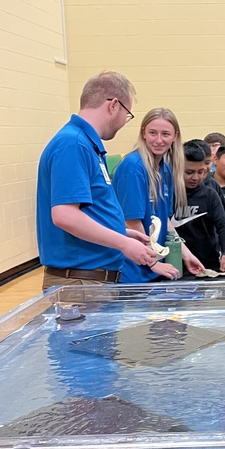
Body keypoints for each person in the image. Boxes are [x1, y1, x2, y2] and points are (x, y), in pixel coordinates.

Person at [37, 71, 158, 289]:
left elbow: (87, 211)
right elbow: (65, 215)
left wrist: (121, 232)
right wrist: (123, 243)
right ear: (113, 105)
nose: (124, 122)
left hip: (93, 279)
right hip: (80, 283)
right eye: (127, 114)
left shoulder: (85, 145)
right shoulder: (73, 145)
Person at [113, 108, 204, 282]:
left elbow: (165, 221)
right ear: (143, 134)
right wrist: (153, 262)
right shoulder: (133, 168)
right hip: (132, 271)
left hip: (152, 268)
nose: (159, 140)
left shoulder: (166, 169)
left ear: (175, 136)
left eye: (165, 134)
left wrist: (186, 254)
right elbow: (131, 223)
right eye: (153, 133)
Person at [176, 140, 225, 273]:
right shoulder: (168, 194)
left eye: (201, 172)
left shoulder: (210, 194)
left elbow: (224, 227)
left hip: (207, 264)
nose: (195, 177)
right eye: (189, 172)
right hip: (177, 265)